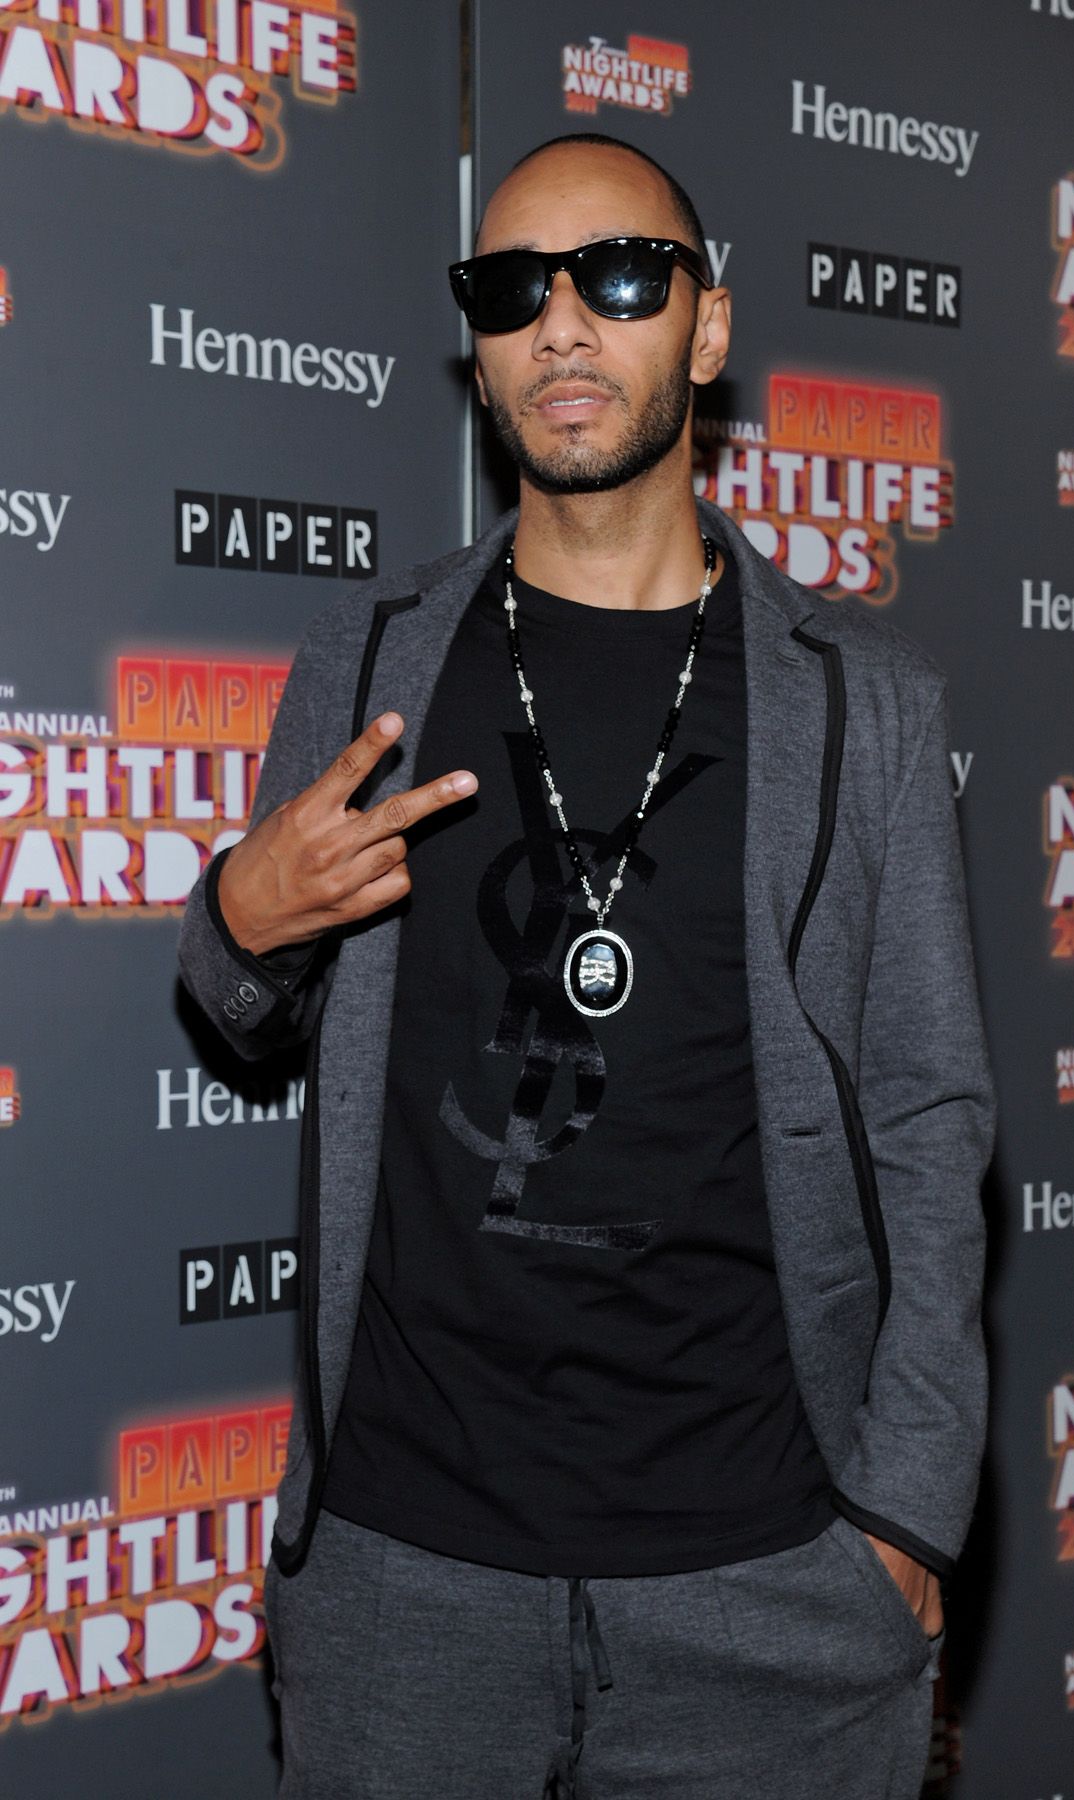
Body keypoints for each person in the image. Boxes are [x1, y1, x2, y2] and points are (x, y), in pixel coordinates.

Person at [178, 132, 993, 1800]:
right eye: (510, 289)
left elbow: (930, 1116)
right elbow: (246, 1008)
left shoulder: (867, 701)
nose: (561, 323)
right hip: (404, 1580)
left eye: (620, 275)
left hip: (774, 1578)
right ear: (478, 347)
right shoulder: (369, 661)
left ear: (708, 327)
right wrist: (237, 927)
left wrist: (907, 1511)